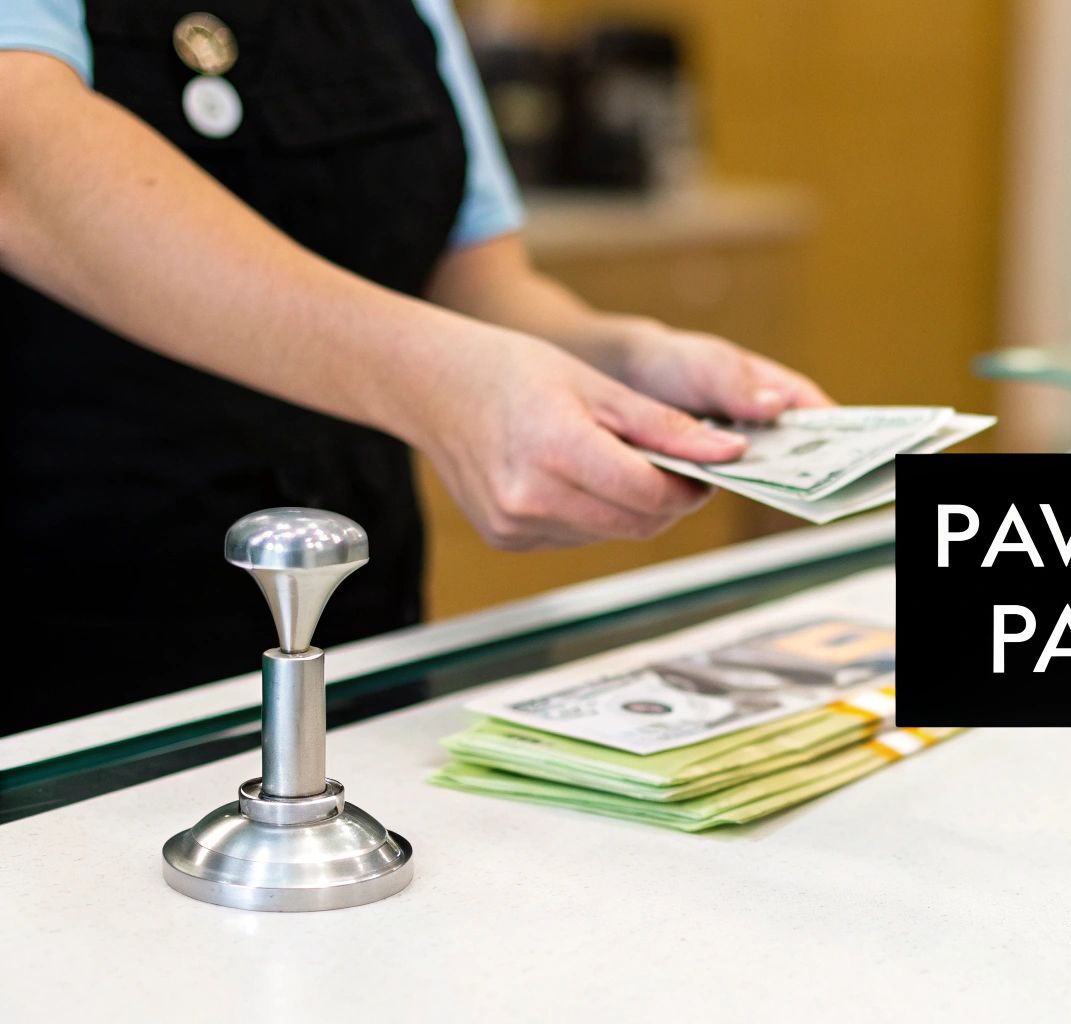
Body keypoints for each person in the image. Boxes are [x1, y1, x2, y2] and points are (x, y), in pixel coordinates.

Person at [0, 0, 833, 733]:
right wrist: (438, 378)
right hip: (65, 651)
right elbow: (23, 159)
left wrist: (625, 365)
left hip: (361, 636)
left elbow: (473, 277)